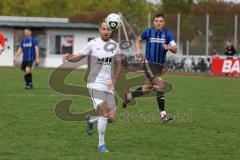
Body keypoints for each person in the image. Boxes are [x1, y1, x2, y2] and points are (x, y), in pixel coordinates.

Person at [63, 20, 122, 153]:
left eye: (108, 29)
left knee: (111, 118)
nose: (106, 31)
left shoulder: (115, 45)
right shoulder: (93, 43)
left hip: (108, 84)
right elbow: (79, 56)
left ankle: (91, 120)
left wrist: (114, 80)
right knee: (103, 110)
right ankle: (101, 145)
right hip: (94, 83)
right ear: (99, 30)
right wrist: (69, 57)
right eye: (103, 29)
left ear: (111, 31)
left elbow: (119, 65)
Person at [122, 13, 177, 122]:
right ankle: (163, 115)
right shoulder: (148, 32)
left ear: (164, 23)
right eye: (156, 21)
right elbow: (138, 40)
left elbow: (175, 49)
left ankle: (128, 96)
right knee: (161, 84)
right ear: (153, 22)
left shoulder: (168, 34)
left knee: (146, 90)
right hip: (149, 64)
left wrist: (169, 47)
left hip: (159, 66)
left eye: (161, 21)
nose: (158, 23)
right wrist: (138, 50)